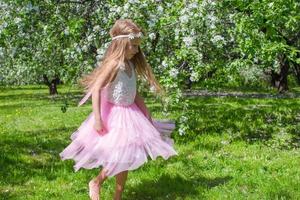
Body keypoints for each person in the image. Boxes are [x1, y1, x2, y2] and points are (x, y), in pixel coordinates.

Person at [59, 19, 178, 200]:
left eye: (138, 46)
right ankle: (96, 182)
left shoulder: (130, 65)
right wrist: (98, 118)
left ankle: (117, 196)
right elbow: (97, 89)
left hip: (131, 114)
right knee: (121, 156)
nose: (136, 50)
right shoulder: (114, 65)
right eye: (133, 46)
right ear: (121, 44)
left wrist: (146, 112)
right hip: (115, 116)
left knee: (127, 157)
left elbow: (134, 92)